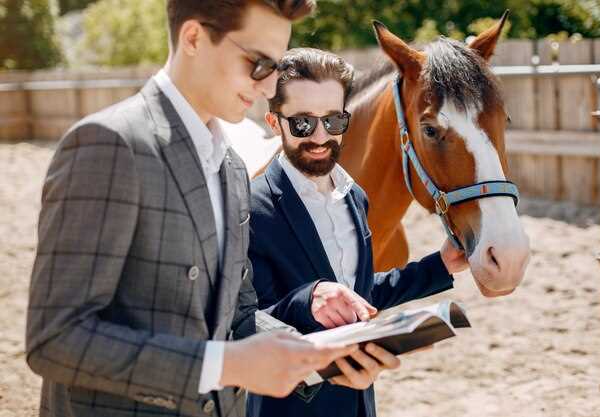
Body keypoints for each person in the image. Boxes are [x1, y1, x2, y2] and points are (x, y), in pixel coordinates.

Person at [25, 2, 357, 417]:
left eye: (276, 69)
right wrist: (224, 365)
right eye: (258, 64)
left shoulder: (233, 165)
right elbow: (55, 340)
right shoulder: (109, 144)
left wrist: (318, 355)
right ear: (194, 38)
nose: (270, 88)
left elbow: (237, 314)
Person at [247, 48, 469, 417]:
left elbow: (360, 292)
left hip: (360, 404)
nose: (321, 137)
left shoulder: (354, 197)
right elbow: (247, 319)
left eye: (333, 122)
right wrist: (310, 298)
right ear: (274, 122)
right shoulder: (252, 208)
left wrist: (439, 267)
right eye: (303, 124)